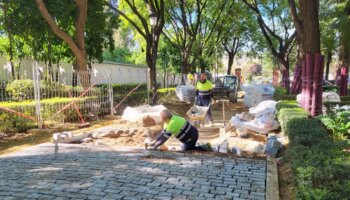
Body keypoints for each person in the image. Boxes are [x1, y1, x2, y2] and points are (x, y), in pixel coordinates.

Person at [148, 109, 212, 151]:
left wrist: (155, 146)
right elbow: (162, 134)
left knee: (187, 151)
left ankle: (205, 147)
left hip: (192, 137)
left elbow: (164, 138)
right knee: (187, 148)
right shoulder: (169, 121)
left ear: (166, 118)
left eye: (162, 119)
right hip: (190, 136)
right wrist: (154, 143)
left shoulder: (172, 123)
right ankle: (197, 146)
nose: (162, 120)